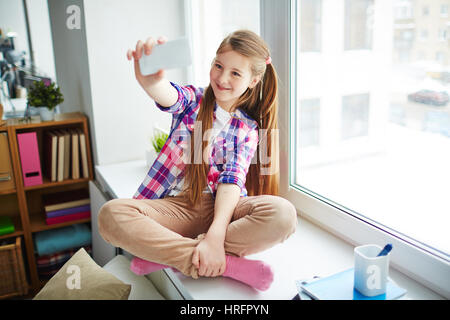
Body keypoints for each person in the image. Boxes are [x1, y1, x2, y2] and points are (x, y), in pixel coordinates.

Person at [98, 30, 297, 291]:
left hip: (223, 209)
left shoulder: (248, 130)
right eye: (218, 66)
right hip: (176, 208)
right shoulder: (194, 100)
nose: (222, 78)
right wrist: (150, 83)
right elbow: (168, 95)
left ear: (253, 80)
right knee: (110, 215)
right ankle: (221, 264)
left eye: (235, 73)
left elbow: (231, 182)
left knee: (284, 215)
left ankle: (172, 256)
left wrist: (215, 234)